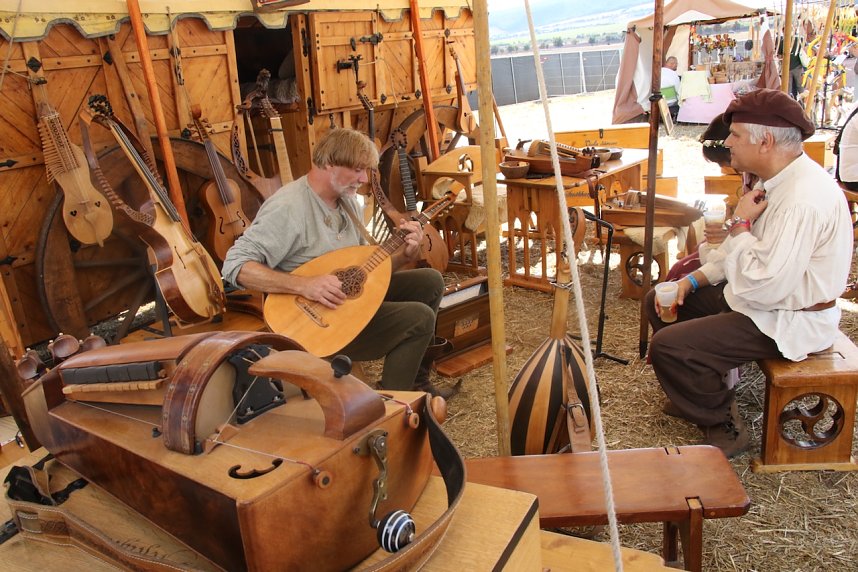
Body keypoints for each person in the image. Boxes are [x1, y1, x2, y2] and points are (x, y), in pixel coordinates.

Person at [645, 89, 853, 457]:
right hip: (763, 301)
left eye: (736, 135)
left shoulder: (801, 200)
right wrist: (689, 280)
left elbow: (765, 285)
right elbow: (739, 259)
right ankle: (696, 393)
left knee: (671, 347)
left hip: (786, 318)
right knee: (659, 300)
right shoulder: (776, 181)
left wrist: (740, 224)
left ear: (766, 141)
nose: (727, 142)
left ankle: (722, 422)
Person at [222, 128, 454, 398]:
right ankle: (393, 408)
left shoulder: (349, 203)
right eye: (357, 170)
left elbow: (362, 275)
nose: (364, 179)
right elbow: (234, 266)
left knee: (429, 281)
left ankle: (414, 379)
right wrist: (304, 285)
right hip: (316, 323)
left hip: (346, 303)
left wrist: (404, 255)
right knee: (419, 319)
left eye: (366, 171)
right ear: (329, 163)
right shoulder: (288, 208)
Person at [660, 56, 682, 121]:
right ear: (672, 64)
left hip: (658, 99)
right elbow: (678, 90)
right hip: (670, 101)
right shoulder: (674, 74)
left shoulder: (658, 71)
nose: (676, 67)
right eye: (676, 64)